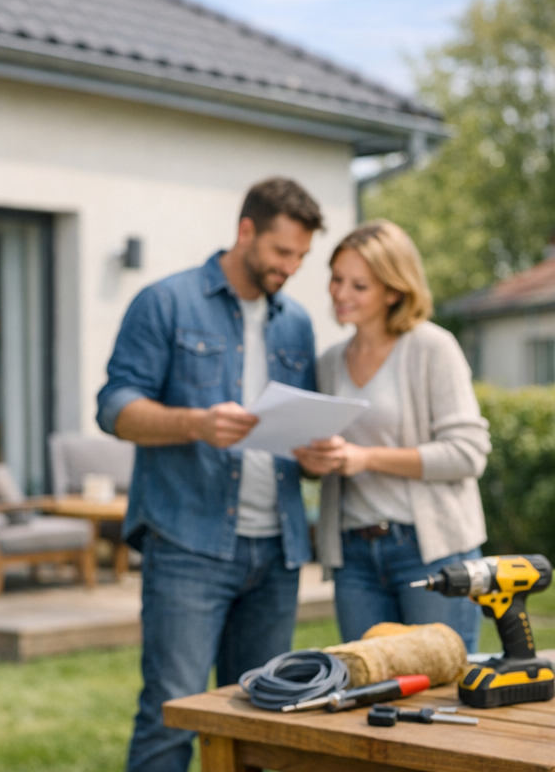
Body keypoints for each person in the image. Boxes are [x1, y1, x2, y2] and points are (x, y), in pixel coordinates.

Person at [97, 177, 324, 772]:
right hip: (189, 545)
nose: (291, 268)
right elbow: (115, 408)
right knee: (172, 714)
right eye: (282, 252)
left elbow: (300, 426)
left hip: (276, 552)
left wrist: (315, 456)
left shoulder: (297, 323)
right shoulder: (166, 302)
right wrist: (196, 423)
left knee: (265, 720)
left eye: (301, 256)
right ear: (246, 231)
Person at [295, 220, 491, 653]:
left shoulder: (431, 349)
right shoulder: (329, 362)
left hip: (430, 550)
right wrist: (314, 462)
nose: (341, 294)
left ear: (394, 291)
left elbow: (468, 454)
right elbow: (331, 455)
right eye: (337, 279)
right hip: (355, 557)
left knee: (441, 690)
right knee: (371, 694)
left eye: (359, 285)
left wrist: (367, 458)